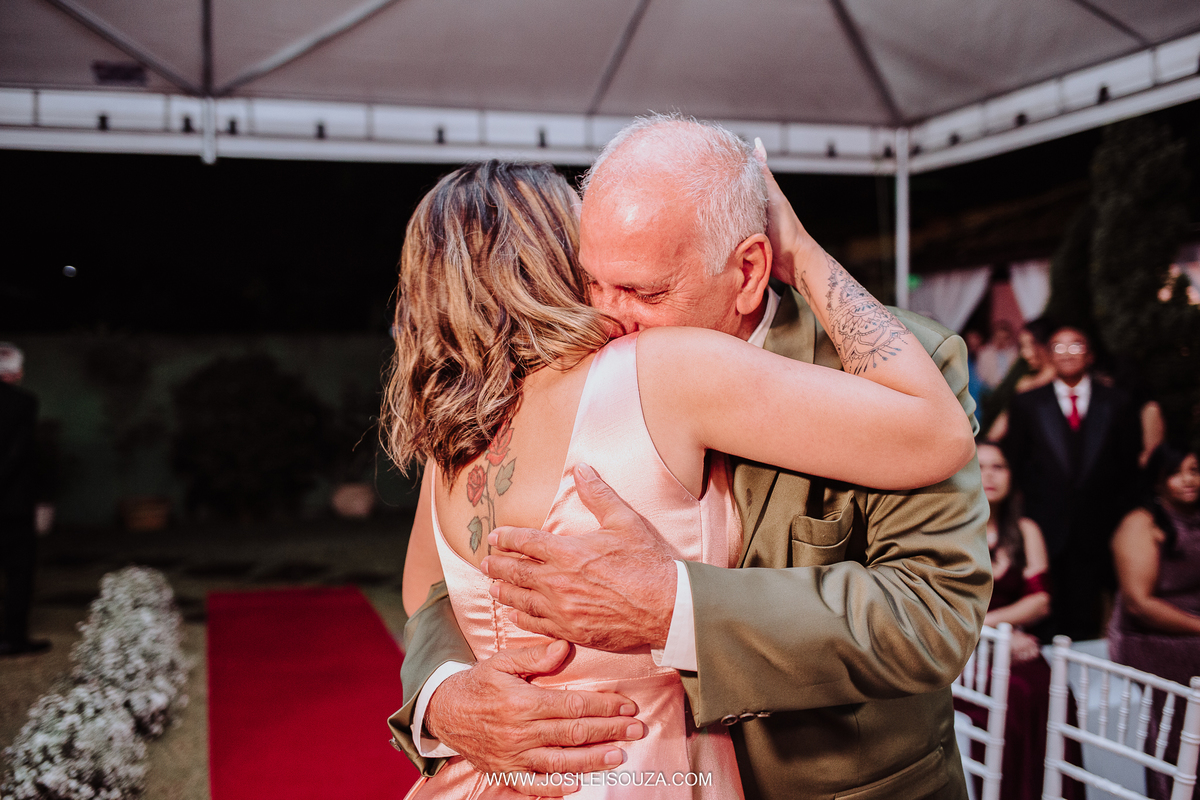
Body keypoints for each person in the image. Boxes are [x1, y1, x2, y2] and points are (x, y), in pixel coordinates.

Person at [391, 118, 991, 800]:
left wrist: (677, 607)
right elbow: (437, 596)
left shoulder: (893, 369)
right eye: (590, 281)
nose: (608, 317)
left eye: (644, 292)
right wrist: (442, 698)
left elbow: (934, 617)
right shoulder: (582, 375)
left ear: (749, 271)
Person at [1004, 325, 1140, 640]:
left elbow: (1129, 467)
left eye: (1076, 346)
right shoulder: (1027, 403)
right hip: (1043, 526)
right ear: (1049, 356)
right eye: (1059, 347)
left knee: (1088, 617)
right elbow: (1014, 461)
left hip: (1100, 527)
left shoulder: (1117, 402)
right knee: (1046, 618)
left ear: (1090, 355)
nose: (1067, 354)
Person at [956, 441, 1056, 800]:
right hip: (962, 653)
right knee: (1012, 695)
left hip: (1011, 645)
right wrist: (996, 634)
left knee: (1045, 686)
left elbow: (1041, 601)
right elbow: (946, 605)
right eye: (980, 466)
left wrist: (995, 626)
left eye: (999, 466)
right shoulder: (950, 530)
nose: (990, 475)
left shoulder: (1026, 530)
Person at [1109, 444, 1200, 800]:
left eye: (1195, 470)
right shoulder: (1141, 523)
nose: (1188, 480)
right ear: (1158, 480)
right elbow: (1139, 604)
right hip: (1148, 634)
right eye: (1176, 473)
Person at [0, 343, 49, 657]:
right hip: (12, 504)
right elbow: (18, 453)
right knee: (19, 572)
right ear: (16, 372)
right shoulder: (24, 402)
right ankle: (12, 638)